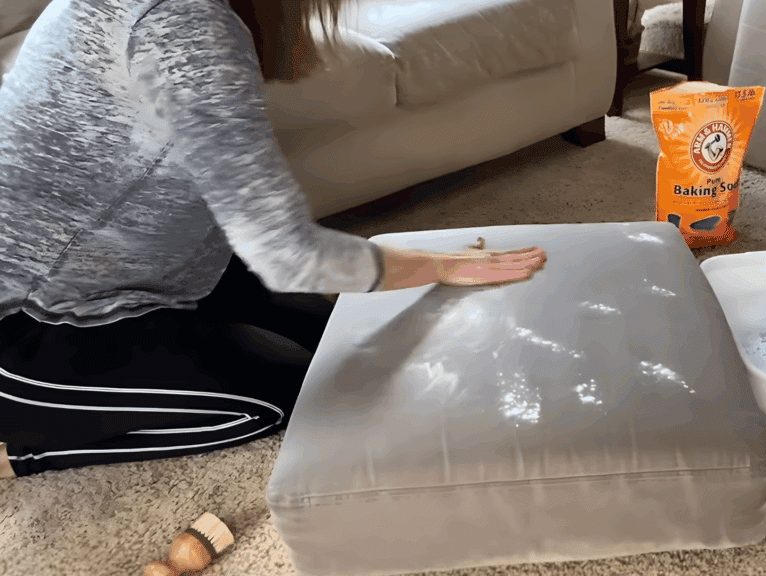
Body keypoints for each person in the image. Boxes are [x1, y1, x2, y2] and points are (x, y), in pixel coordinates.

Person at [0, 0, 546, 478]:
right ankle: (25, 451)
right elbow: (286, 256)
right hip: (31, 324)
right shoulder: (181, 26)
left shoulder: (194, 17)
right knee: (285, 402)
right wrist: (439, 265)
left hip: (147, 273)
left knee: (335, 343)